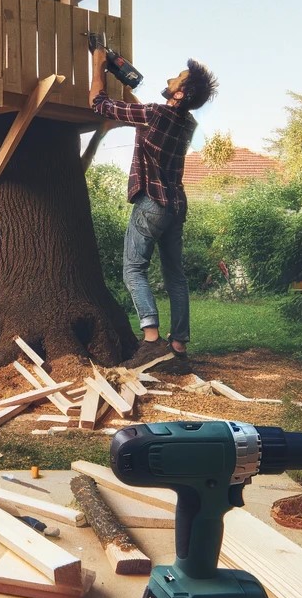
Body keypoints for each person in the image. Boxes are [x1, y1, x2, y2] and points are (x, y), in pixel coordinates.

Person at [89, 48, 219, 364]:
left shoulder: (156, 114)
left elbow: (98, 103)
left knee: (133, 269)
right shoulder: (187, 124)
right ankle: (178, 347)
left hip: (152, 205)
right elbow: (147, 116)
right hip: (175, 206)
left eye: (177, 77)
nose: (169, 78)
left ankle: (150, 337)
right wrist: (126, 80)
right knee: (176, 276)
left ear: (181, 91)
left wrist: (97, 65)